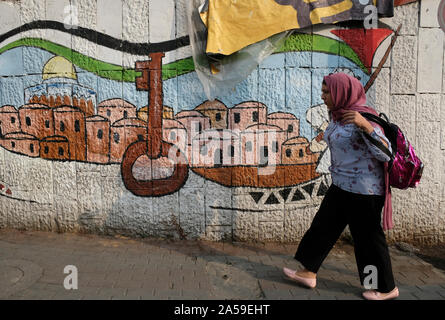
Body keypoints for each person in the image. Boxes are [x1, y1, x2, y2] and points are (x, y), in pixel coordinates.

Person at [283, 72, 399, 300]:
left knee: (367, 241)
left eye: (328, 92)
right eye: (324, 91)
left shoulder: (365, 118)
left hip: (364, 192)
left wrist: (364, 125)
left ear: (341, 93)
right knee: (322, 228)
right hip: (341, 186)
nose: (323, 95)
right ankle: (308, 272)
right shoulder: (338, 116)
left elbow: (386, 153)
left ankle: (384, 288)